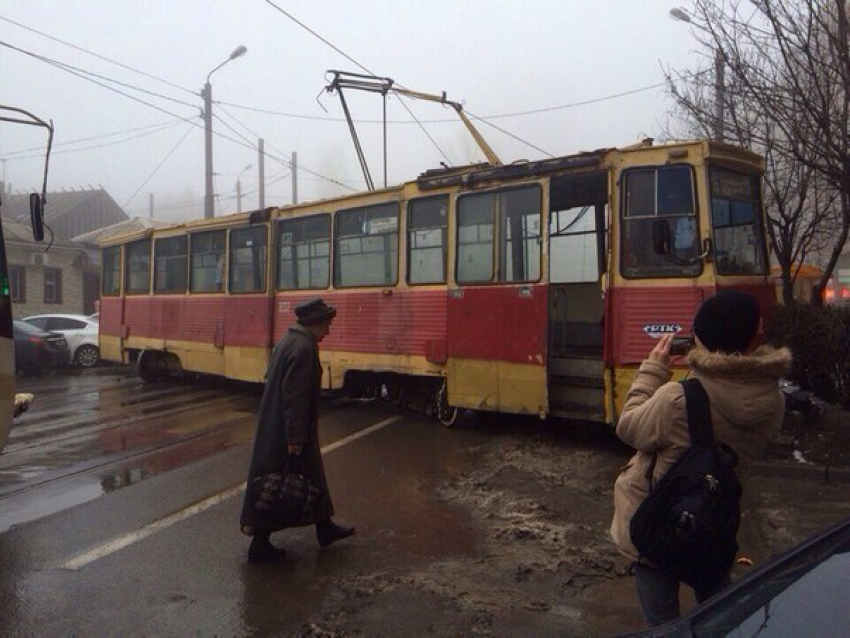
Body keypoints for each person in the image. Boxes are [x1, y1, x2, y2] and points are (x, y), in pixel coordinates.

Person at [610, 290, 792, 627]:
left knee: (662, 624)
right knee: (719, 616)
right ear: (753, 338)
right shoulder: (774, 401)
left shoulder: (678, 398)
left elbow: (629, 427)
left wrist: (653, 369)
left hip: (658, 525)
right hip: (714, 525)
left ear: (699, 339)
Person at [240, 298, 354, 563]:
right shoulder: (303, 348)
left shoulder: (288, 341)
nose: (329, 330)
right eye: (327, 325)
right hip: (286, 433)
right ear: (316, 324)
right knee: (277, 484)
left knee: (312, 478)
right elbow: (295, 397)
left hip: (278, 428)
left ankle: (325, 527)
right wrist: (296, 439)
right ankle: (259, 544)